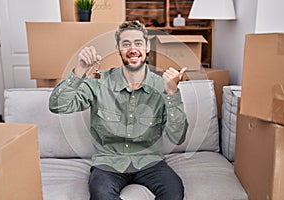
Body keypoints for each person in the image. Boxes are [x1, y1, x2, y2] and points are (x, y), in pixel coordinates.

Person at [49, 21, 188, 200]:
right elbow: (57, 105)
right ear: (118, 49)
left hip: (150, 161)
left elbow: (178, 137)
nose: (132, 49)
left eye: (138, 43)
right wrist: (81, 69)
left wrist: (172, 93)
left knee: (174, 192)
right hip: (108, 163)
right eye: (126, 44)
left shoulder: (164, 85)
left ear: (147, 47)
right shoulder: (99, 83)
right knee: (101, 195)